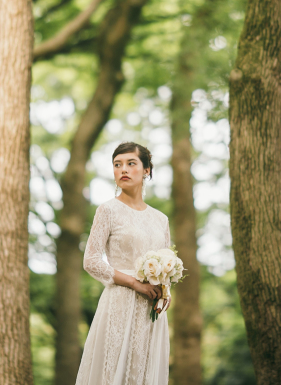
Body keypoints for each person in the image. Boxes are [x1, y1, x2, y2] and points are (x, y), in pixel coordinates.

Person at [75, 141, 172, 385]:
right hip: (119, 302)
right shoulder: (107, 210)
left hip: (151, 308)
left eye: (131, 163)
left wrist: (166, 291)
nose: (123, 170)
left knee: (143, 370)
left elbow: (167, 262)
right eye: (117, 165)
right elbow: (91, 260)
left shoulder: (161, 219)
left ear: (146, 170)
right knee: (112, 373)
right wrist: (133, 282)